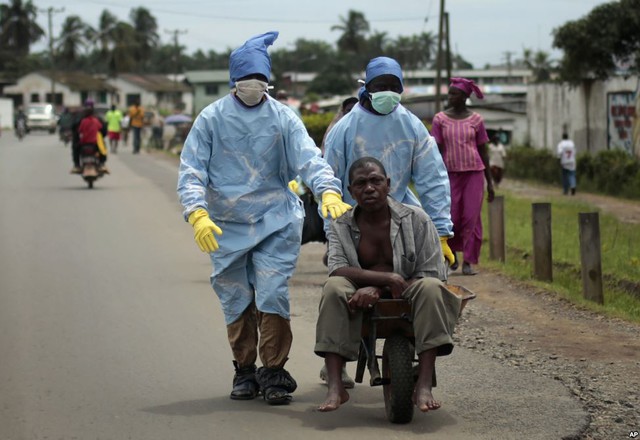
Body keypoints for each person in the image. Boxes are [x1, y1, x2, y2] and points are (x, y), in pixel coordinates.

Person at [177, 31, 351, 406]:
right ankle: (244, 371)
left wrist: (328, 190)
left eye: (258, 78)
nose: (252, 85)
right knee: (235, 297)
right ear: (233, 81)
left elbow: (308, 158)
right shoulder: (211, 119)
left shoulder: (283, 117)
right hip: (225, 223)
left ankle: (272, 371)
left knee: (271, 293)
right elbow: (192, 170)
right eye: (245, 78)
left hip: (275, 219)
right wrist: (197, 213)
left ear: (267, 81)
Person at [315, 157, 461, 413]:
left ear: (388, 184)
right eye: (361, 183)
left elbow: (432, 272)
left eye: (375, 181)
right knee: (334, 288)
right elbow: (337, 268)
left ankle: (424, 383)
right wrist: (385, 279)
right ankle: (335, 385)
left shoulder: (417, 219)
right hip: (357, 291)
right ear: (350, 192)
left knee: (431, 287)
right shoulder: (341, 225)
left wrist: (379, 289)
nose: (369, 188)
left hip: (409, 289)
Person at [323, 56, 455, 268]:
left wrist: (440, 231)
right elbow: (329, 181)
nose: (388, 91)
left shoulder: (412, 126)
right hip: (353, 223)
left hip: (402, 221)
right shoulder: (344, 129)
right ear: (367, 87)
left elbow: (433, 178)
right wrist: (333, 235)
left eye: (394, 87)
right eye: (382, 85)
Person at [431, 78, 494, 276]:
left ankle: (469, 261)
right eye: (449, 94)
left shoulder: (476, 120)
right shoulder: (440, 119)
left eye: (454, 94)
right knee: (451, 217)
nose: (450, 97)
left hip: (474, 173)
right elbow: (437, 150)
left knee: (471, 218)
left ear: (465, 97)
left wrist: (490, 182)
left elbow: (483, 151)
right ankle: (452, 258)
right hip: (449, 174)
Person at [71, 100, 108, 174]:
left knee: (75, 148)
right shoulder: (97, 119)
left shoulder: (81, 119)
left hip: (83, 142)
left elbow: (77, 130)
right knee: (103, 148)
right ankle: (101, 164)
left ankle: (77, 165)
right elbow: (103, 129)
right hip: (94, 142)